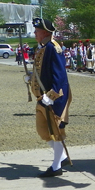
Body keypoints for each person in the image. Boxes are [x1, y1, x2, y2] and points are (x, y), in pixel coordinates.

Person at [26, 18, 72, 177]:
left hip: (51, 98)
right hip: (41, 98)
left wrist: (52, 96)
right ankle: (63, 157)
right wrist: (32, 77)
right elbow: (43, 71)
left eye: (37, 31)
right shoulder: (43, 47)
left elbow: (59, 76)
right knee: (43, 132)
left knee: (55, 133)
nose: (35, 33)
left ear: (45, 32)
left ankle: (56, 166)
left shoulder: (54, 48)